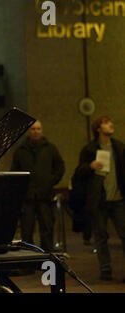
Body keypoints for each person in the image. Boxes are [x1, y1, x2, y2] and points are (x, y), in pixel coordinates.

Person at [74, 116, 125, 281]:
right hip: (99, 200)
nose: (111, 124)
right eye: (106, 123)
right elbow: (79, 172)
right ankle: (105, 269)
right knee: (101, 236)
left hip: (118, 199)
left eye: (111, 122)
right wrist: (90, 166)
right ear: (98, 129)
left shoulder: (119, 147)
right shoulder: (89, 149)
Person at [11, 120, 65, 252]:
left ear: (42, 130)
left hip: (45, 196)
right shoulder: (20, 151)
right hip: (27, 197)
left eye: (38, 129)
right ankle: (29, 261)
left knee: (47, 230)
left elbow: (60, 167)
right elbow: (14, 172)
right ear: (28, 132)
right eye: (33, 129)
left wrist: (50, 181)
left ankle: (47, 260)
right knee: (27, 231)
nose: (36, 131)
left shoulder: (50, 149)